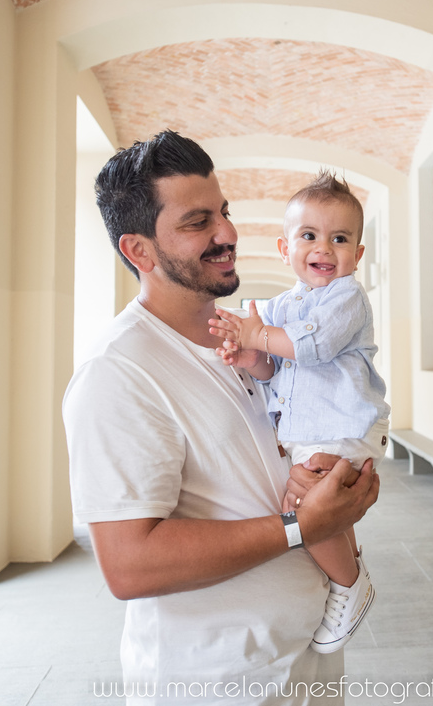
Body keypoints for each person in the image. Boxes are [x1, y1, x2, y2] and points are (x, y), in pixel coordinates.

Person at [62, 131, 379, 705]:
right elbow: (130, 566)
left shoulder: (249, 338)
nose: (227, 234)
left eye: (225, 213)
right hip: (216, 684)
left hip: (303, 671)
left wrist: (339, 497)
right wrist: (303, 527)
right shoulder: (119, 371)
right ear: (140, 251)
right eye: (197, 221)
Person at [208, 170, 391, 655]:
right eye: (309, 236)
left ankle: (350, 586)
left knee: (302, 506)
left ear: (358, 253)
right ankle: (349, 572)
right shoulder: (284, 306)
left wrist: (255, 335)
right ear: (284, 249)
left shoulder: (347, 297)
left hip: (345, 424)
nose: (324, 248)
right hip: (313, 429)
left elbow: (311, 347)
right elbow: (280, 369)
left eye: (340, 238)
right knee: (314, 505)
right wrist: (252, 357)